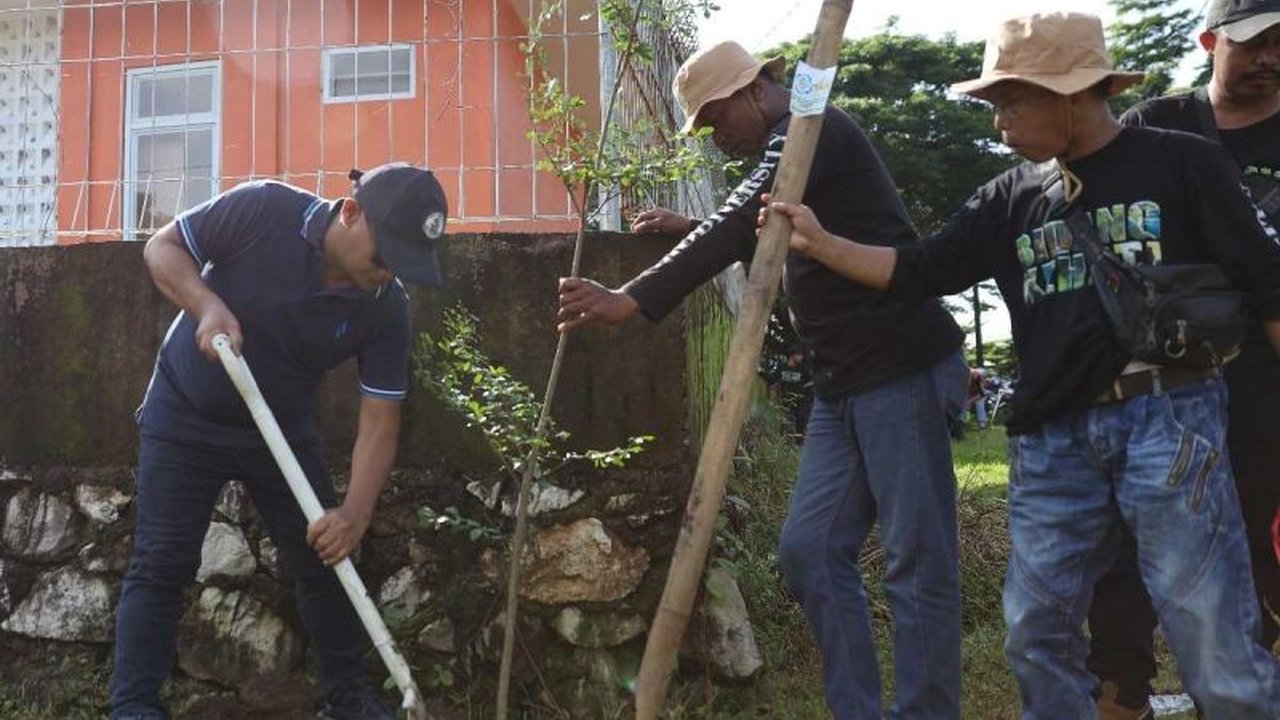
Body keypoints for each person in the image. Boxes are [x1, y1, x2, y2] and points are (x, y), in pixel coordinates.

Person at [763, 12, 1280, 719]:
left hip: (1170, 419)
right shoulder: (1010, 198)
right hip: (1052, 438)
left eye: (1011, 99)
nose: (999, 119)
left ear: (1070, 93)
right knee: (1036, 633)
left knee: (1211, 639)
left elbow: (1264, 280)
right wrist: (821, 245)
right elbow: (920, 270)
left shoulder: (1179, 162)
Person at [559, 39, 968, 720]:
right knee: (809, 551)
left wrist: (631, 298)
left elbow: (749, 208)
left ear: (753, 91)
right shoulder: (791, 146)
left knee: (916, 560)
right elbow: (762, 224)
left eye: (717, 120)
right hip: (843, 386)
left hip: (901, 366)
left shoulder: (812, 128)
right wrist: (691, 226)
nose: (718, 141)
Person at [110, 163, 448, 720]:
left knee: (326, 560)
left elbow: (381, 420)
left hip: (280, 432)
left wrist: (355, 515)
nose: (389, 273)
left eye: (403, 265)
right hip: (185, 414)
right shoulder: (265, 210)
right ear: (351, 211)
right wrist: (206, 304)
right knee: (162, 561)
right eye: (386, 255)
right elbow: (162, 248)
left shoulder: (386, 307)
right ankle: (134, 706)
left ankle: (348, 698)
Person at [1084, 1, 1280, 717]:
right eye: (1255, 43)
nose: (1270, 58)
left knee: (1253, 526)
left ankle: (1238, 686)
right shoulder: (1155, 125)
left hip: (1264, 365)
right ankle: (1119, 687)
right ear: (1209, 42)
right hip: (1164, 369)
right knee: (1131, 526)